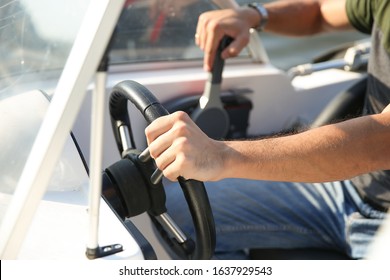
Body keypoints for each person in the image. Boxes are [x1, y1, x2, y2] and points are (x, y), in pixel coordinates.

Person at [145, 0, 390, 259]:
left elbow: (381, 141)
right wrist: (254, 16)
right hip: (351, 190)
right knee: (175, 208)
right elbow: (319, 13)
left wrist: (222, 155)